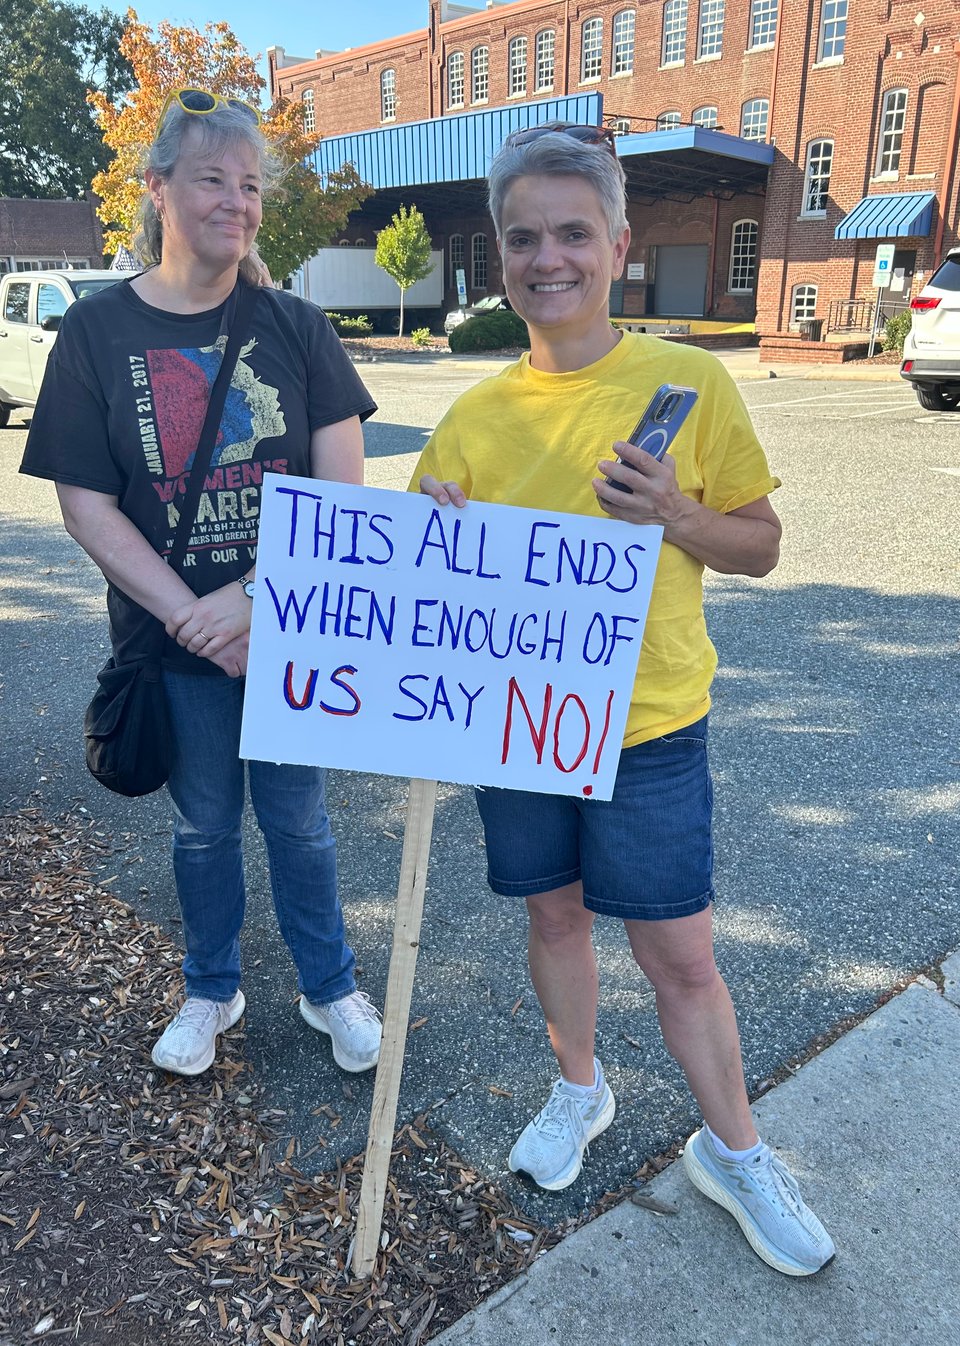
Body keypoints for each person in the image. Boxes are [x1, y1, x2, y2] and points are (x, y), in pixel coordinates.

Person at [413, 123, 835, 1277]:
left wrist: (679, 519)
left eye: (571, 233)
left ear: (618, 244)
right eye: (523, 238)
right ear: (500, 254)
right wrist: (432, 546)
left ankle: (734, 1147)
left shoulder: (686, 382)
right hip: (519, 725)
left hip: (646, 724)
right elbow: (421, 587)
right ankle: (579, 1087)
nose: (547, 257)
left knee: (683, 957)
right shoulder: (471, 417)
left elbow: (761, 544)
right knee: (553, 919)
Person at [20, 90, 382, 1078]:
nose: (237, 200)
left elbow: (346, 491)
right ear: (160, 190)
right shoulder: (95, 332)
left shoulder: (297, 325)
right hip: (174, 644)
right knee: (203, 826)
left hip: (290, 630)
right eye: (213, 178)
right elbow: (88, 505)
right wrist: (193, 617)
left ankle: (329, 982)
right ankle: (211, 985)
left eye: (251, 184)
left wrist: (260, 601)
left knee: (301, 822)